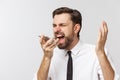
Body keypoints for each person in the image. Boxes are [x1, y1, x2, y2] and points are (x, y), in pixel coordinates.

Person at [34, 7, 119, 80]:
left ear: (76, 28)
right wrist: (47, 57)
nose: (56, 30)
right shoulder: (51, 55)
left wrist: (100, 53)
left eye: (62, 25)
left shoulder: (97, 53)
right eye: (54, 25)